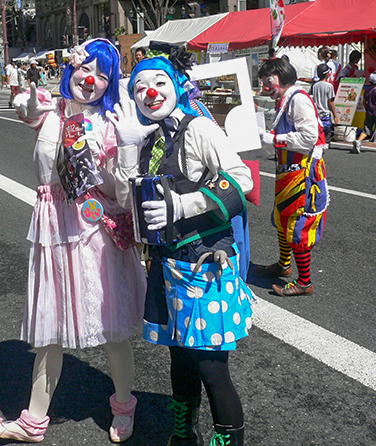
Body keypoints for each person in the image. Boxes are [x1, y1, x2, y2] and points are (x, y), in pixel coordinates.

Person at [0, 38, 146, 444]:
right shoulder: (53, 114)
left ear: (110, 83)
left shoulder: (110, 123)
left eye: (101, 75)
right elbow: (28, 110)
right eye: (83, 68)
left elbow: (123, 194)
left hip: (94, 230)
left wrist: (124, 148)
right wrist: (29, 99)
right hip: (52, 228)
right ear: (69, 69)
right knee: (49, 327)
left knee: (111, 329)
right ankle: (34, 421)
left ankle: (124, 406)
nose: (89, 79)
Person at [109, 49, 254, 446]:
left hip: (204, 261)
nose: (150, 93)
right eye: (140, 87)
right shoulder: (145, 138)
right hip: (166, 263)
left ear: (175, 86)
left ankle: (227, 444)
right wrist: (124, 145)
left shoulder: (198, 129)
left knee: (211, 366)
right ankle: (182, 435)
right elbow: (127, 199)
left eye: (158, 83)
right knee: (179, 359)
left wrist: (184, 204)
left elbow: (242, 179)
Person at [257, 57, 329, 296]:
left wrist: (274, 140)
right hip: (288, 174)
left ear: (281, 77)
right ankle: (284, 265)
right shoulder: (284, 100)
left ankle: (305, 282)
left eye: (268, 81)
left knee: (298, 226)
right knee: (281, 218)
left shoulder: (298, 100)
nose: (265, 87)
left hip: (303, 174)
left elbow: (309, 138)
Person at [352, 72, 376, 154]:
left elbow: (364, 101)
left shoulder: (367, 91)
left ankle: (358, 141)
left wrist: (367, 108)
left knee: (366, 130)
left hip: (369, 113)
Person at [311, 63, 337, 145]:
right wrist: (335, 115)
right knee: (327, 137)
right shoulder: (329, 86)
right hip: (326, 114)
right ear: (327, 74)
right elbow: (331, 101)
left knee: (318, 135)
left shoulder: (315, 85)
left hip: (317, 115)